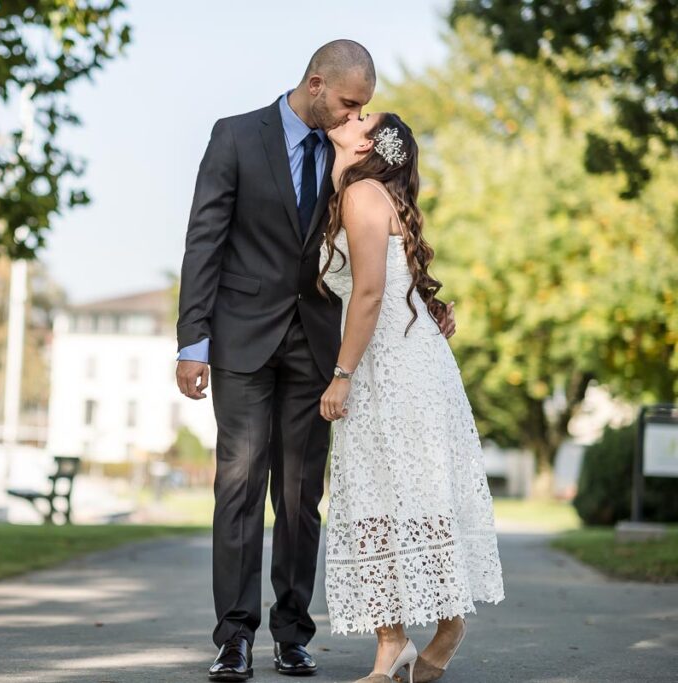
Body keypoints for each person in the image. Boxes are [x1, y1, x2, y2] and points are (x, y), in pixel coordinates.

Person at [175, 41, 456, 681]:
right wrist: (194, 341)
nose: (357, 115)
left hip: (318, 345)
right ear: (317, 83)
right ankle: (234, 637)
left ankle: (293, 633)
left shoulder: (349, 154)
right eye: (350, 102)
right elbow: (204, 239)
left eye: (364, 107)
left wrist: (424, 305)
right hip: (242, 338)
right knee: (238, 483)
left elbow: (380, 243)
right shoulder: (235, 136)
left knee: (302, 496)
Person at [318, 111, 505, 683]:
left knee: (405, 497)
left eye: (361, 117)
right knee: (377, 500)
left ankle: (446, 627)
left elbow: (370, 291)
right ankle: (392, 644)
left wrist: (341, 373)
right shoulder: (359, 191)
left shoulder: (363, 195)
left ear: (372, 143)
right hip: (396, 356)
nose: (350, 117)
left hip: (391, 366)